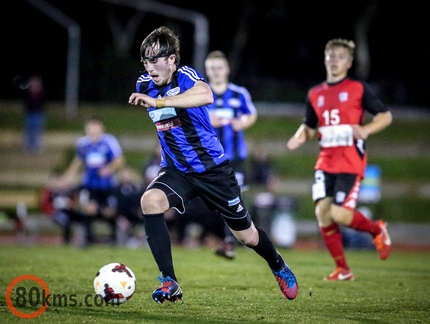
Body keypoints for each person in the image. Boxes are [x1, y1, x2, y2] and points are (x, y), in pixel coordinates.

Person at [128, 26, 298, 303]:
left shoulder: (185, 77)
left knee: (246, 235)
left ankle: (278, 264)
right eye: (146, 60)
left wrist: (160, 101)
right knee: (150, 201)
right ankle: (170, 282)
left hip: (213, 171)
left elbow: (205, 95)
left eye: (156, 59)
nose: (150, 66)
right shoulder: (143, 84)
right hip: (177, 171)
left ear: (172, 59)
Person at [286, 38, 393, 281]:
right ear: (325, 58)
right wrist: (300, 136)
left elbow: (385, 116)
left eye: (341, 57)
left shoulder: (357, 88)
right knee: (323, 213)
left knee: (340, 214)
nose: (335, 61)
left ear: (349, 62)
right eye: (331, 55)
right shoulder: (315, 93)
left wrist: (366, 130)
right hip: (325, 161)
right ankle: (343, 269)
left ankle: (378, 230)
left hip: (349, 161)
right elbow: (310, 126)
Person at [204, 50, 258, 259]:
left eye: (218, 68)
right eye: (211, 69)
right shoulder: (202, 92)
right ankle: (219, 237)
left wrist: (244, 122)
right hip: (208, 156)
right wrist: (208, 119)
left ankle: (230, 241)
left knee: (235, 198)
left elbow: (251, 114)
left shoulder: (239, 93)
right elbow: (188, 115)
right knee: (212, 199)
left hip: (235, 157)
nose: (215, 72)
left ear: (226, 69)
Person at [58, 116, 124, 245]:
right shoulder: (83, 143)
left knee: (109, 212)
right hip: (89, 183)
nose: (93, 129)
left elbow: (119, 160)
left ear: (101, 128)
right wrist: (68, 176)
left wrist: (108, 169)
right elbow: (78, 161)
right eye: (90, 127)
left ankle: (114, 240)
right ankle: (89, 241)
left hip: (107, 184)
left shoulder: (109, 141)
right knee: (88, 209)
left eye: (95, 126)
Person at [19, 74, 46, 153]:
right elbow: (26, 105)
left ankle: (37, 147)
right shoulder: (27, 94)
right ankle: (28, 147)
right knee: (28, 132)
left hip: (38, 115)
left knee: (37, 131)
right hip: (29, 115)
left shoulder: (41, 93)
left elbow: (43, 105)